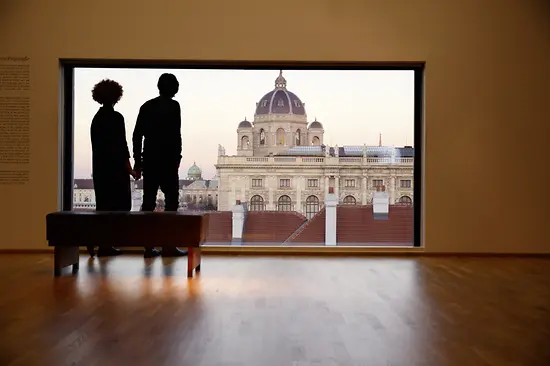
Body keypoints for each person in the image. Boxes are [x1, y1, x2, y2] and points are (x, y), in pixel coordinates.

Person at [132, 73, 187, 258]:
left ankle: (148, 248)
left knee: (148, 203)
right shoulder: (174, 106)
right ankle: (168, 246)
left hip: (150, 160)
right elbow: (176, 134)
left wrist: (137, 161)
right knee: (172, 204)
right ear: (174, 88)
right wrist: (178, 156)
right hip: (169, 161)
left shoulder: (146, 106)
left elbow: (137, 135)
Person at [89, 79, 137, 257]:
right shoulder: (117, 118)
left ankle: (103, 244)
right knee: (120, 207)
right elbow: (121, 147)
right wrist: (130, 169)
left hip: (101, 171)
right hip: (116, 171)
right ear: (117, 96)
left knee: (104, 208)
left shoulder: (96, 119)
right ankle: (105, 245)